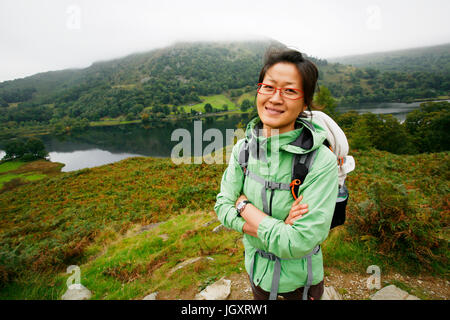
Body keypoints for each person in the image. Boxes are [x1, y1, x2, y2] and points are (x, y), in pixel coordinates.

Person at [214, 48, 338, 300]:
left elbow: (298, 242)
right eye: (268, 87)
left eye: (290, 90)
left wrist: (243, 206)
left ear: (305, 102)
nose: (275, 98)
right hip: (257, 272)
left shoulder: (320, 160)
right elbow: (221, 207)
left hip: (300, 284)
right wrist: (278, 227)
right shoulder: (243, 150)